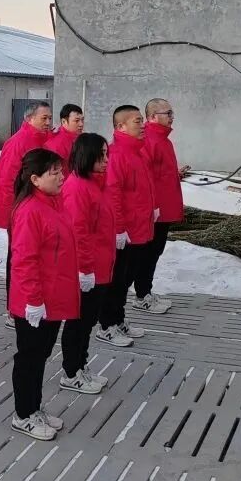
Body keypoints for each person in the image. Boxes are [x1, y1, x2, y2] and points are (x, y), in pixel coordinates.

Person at [8, 148, 79, 441]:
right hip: (35, 300)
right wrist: (33, 301)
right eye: (54, 173)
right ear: (35, 179)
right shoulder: (30, 210)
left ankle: (34, 407)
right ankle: (23, 414)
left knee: (40, 355)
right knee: (30, 358)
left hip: (52, 295)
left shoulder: (53, 203)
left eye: (61, 171)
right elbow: (25, 260)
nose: (61, 177)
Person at [97, 105, 156, 349]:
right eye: (137, 121)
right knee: (116, 281)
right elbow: (113, 194)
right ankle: (106, 325)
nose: (142, 126)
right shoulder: (117, 155)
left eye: (142, 121)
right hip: (125, 231)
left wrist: (152, 208)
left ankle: (119, 319)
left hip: (138, 227)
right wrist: (119, 228)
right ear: (120, 126)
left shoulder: (137, 152)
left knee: (126, 278)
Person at [61, 134, 116, 395]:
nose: (106, 160)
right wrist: (84, 269)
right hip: (88, 268)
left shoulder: (97, 184)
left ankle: (81, 365)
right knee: (79, 322)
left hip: (101, 265)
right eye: (100, 155)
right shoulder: (77, 188)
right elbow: (78, 233)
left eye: (106, 154)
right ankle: (71, 372)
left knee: (88, 321)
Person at [135, 99, 186, 315]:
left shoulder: (163, 140)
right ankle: (141, 295)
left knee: (155, 251)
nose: (172, 117)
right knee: (148, 253)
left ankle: (145, 291)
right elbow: (144, 177)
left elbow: (159, 173)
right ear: (153, 117)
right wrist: (151, 207)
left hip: (164, 207)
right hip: (154, 210)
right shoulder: (149, 140)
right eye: (168, 113)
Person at [0, 102, 52, 231]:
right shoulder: (17, 143)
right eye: (44, 118)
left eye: (50, 118)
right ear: (29, 118)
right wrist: (10, 213)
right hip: (22, 209)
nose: (48, 122)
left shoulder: (44, 141)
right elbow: (7, 180)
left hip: (39, 206)